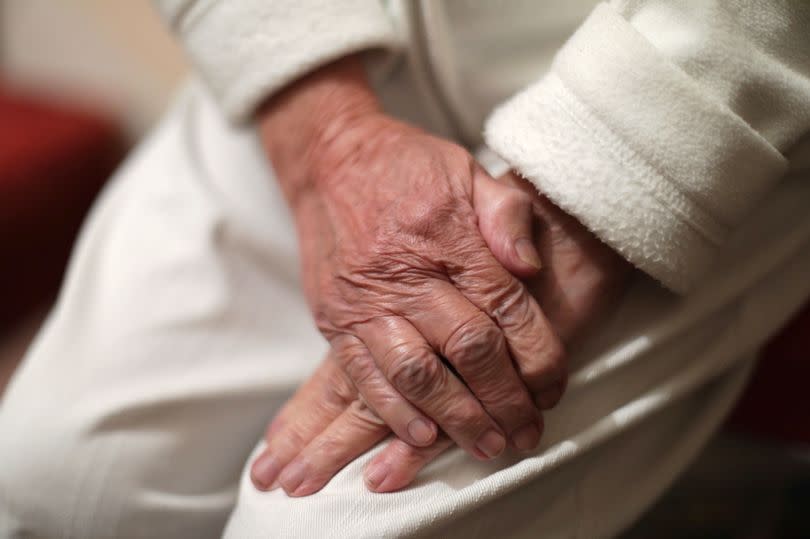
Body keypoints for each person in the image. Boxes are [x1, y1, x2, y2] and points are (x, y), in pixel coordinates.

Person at [1, 1, 809, 537]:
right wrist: (324, 134)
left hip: (671, 72)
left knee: (319, 526)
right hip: (320, 43)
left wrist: (607, 181)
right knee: (59, 484)